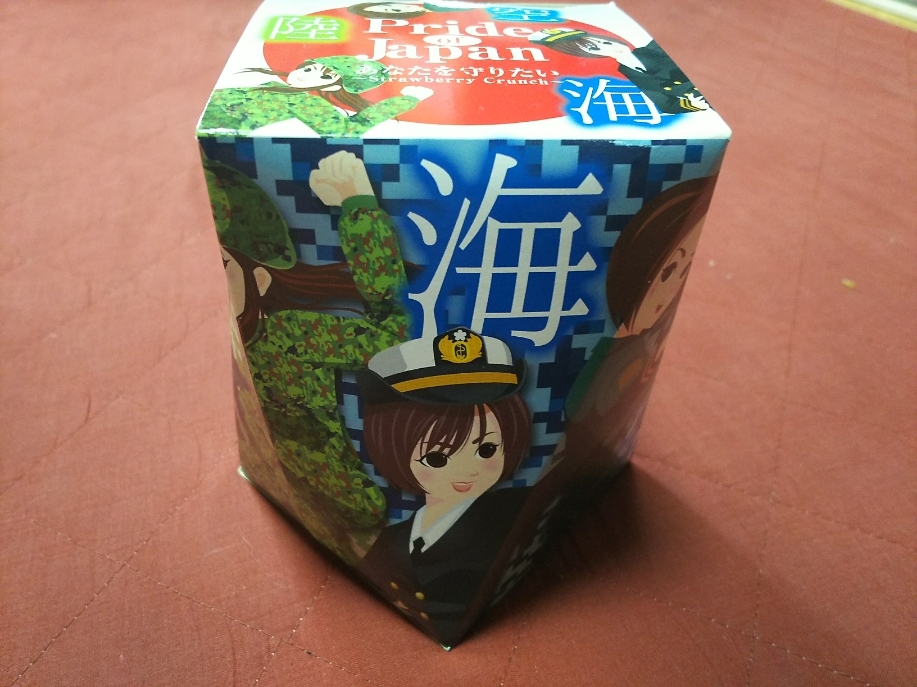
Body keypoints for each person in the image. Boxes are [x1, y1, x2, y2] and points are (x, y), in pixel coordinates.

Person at [205, 150, 411, 561]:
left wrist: (358, 206)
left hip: (348, 524)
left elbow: (395, 338)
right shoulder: (244, 334)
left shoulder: (291, 335)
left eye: (227, 262)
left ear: (260, 277)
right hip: (279, 496)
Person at [355, 328, 532, 646]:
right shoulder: (391, 539)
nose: (467, 470)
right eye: (437, 457)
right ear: (392, 448)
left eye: (487, 449)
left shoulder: (516, 514)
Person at [561, 175, 718, 505]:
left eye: (684, 267)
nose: (669, 288)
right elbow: (577, 409)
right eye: (666, 271)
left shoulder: (644, 337)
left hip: (609, 450)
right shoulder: (602, 348)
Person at [199, 55, 433, 137]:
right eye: (309, 68)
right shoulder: (270, 84)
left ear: (333, 86)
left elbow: (347, 131)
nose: (306, 74)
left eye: (325, 75)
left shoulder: (309, 103)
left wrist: (407, 100)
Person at [528, 28, 709, 114]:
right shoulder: (626, 76)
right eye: (592, 46)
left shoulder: (656, 48)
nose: (604, 43)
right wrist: (693, 105)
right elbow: (665, 104)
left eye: (598, 39)